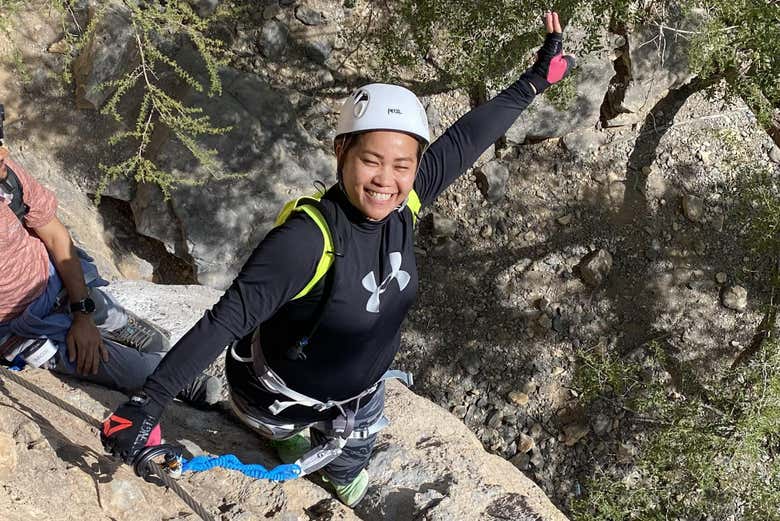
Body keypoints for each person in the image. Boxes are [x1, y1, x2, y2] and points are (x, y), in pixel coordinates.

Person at [101, 12, 574, 507]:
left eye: (402, 164)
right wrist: (145, 406)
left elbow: (464, 141)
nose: (385, 179)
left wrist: (534, 81)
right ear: (341, 152)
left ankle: (344, 478)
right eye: (371, 160)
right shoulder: (307, 241)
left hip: (361, 397)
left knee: (352, 470)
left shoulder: (405, 202)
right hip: (277, 399)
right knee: (287, 440)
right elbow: (224, 322)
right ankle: (287, 444)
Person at [0, 113, 218, 404]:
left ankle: (104, 316)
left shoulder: (6, 177)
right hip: (21, 329)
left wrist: (81, 313)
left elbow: (54, 235)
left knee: (151, 338)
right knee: (133, 370)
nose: (5, 153)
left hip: (57, 285)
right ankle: (178, 380)